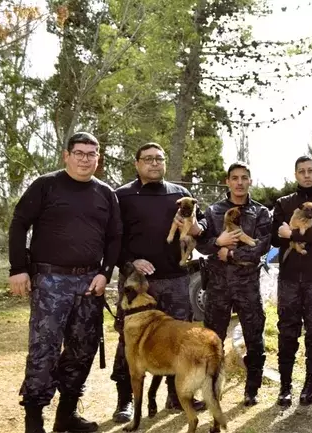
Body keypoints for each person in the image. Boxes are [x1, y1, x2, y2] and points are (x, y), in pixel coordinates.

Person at [8, 132, 122, 433]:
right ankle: (34, 420)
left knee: (82, 349)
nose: (86, 158)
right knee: (44, 348)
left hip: (89, 282)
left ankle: (66, 415)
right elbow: (19, 223)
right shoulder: (46, 185)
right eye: (80, 152)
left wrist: (105, 273)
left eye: (91, 153)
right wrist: (18, 268)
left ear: (98, 159)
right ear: (66, 155)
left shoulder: (105, 193)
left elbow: (115, 237)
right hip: (49, 280)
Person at [110, 143, 207, 422]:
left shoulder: (181, 194)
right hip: (137, 282)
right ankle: (126, 399)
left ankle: (176, 396)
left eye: (159, 159)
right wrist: (130, 262)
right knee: (128, 341)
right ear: (137, 163)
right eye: (148, 159)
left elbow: (195, 232)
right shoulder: (122, 196)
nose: (154, 163)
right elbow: (112, 239)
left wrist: (198, 229)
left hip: (176, 279)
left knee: (178, 339)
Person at [196, 161, 272, 406]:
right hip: (218, 287)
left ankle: (252, 389)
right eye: (235, 178)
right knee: (212, 340)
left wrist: (230, 254)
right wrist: (217, 243)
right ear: (227, 182)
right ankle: (212, 389)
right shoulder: (214, 211)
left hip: (247, 286)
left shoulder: (260, 213)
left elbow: (262, 246)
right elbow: (202, 244)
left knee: (254, 338)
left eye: (244, 178)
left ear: (250, 181)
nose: (239, 182)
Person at [270, 156, 312, 407]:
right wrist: (285, 234)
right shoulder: (283, 203)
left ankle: (310, 384)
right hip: (289, 278)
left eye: (311, 171)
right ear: (296, 175)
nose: (307, 175)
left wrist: (294, 233)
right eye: (302, 171)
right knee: (287, 331)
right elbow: (275, 238)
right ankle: (285, 386)